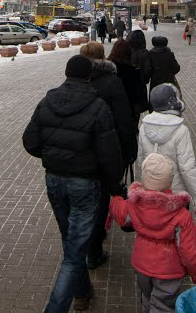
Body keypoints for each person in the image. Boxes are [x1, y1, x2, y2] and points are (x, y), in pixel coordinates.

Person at [23, 55, 122, 312]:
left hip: (54, 180)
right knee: (74, 252)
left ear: (66, 73)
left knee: (71, 242)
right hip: (86, 185)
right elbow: (109, 154)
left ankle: (83, 293)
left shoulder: (47, 101)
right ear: (89, 77)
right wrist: (114, 186)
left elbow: (30, 141)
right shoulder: (98, 106)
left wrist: (54, 156)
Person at [108, 153, 196, 312]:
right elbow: (189, 251)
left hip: (142, 265)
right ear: (170, 181)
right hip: (169, 272)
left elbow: (120, 214)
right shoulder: (181, 215)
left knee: (147, 297)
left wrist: (116, 198)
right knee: (162, 306)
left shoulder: (133, 205)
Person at [79, 41, 138, 270]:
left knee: (85, 202)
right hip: (107, 151)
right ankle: (94, 248)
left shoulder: (77, 81)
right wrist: (130, 150)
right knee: (101, 198)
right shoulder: (113, 82)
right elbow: (123, 121)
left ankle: (86, 243)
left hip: (82, 152)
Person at [138, 84, 196, 215]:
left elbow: (141, 160)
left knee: (154, 230)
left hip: (151, 192)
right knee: (175, 230)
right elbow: (187, 168)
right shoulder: (181, 131)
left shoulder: (144, 128)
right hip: (176, 194)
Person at [110, 38, 148, 120]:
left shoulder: (107, 69)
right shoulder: (134, 72)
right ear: (129, 52)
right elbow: (141, 93)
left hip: (111, 111)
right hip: (130, 111)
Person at [128, 30, 153, 96]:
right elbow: (147, 70)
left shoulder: (126, 51)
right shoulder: (144, 53)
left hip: (127, 83)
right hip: (141, 84)